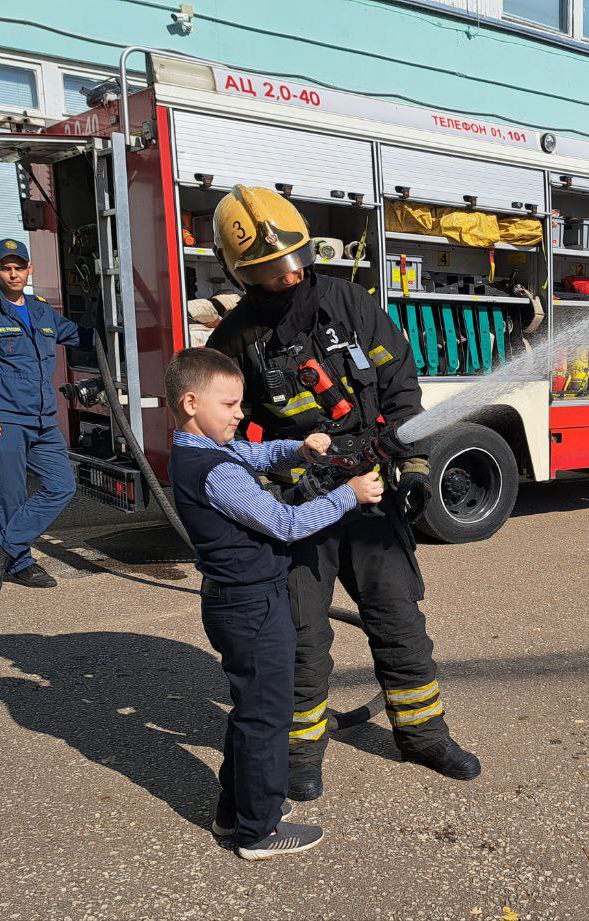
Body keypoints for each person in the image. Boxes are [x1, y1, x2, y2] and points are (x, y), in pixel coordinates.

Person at [207, 185, 480, 802]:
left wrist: (411, 466)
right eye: (270, 268)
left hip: (372, 488)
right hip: (299, 503)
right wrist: (246, 492)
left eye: (295, 258)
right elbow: (220, 424)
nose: (289, 273)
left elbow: (401, 387)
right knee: (302, 634)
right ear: (239, 270)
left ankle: (423, 735)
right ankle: (301, 753)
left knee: (398, 617)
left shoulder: (349, 304)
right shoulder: (235, 338)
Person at [165, 347, 383, 859]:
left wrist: (300, 450)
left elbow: (256, 454)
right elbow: (286, 524)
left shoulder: (201, 450)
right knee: (267, 716)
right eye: (231, 404)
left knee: (251, 711)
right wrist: (349, 494)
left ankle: (233, 812)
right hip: (251, 607)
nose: (240, 413)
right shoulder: (217, 471)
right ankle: (258, 832)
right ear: (192, 402)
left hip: (238, 602)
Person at [0, 239, 92, 591]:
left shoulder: (41, 309)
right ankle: (20, 563)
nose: (13, 273)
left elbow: (78, 336)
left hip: (44, 418)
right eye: (5, 267)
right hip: (4, 417)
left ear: (29, 269)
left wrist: (125, 323)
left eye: (19, 266)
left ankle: (2, 546)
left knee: (62, 485)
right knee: (11, 493)